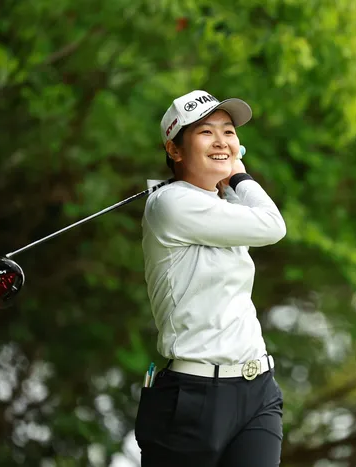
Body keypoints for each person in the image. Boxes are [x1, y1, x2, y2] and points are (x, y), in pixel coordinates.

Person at [134, 89, 287, 467]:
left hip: (257, 388)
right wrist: (238, 174)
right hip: (192, 395)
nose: (221, 141)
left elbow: (254, 217)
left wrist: (228, 179)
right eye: (206, 132)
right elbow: (272, 225)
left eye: (229, 132)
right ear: (174, 149)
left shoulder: (220, 202)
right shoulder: (171, 203)